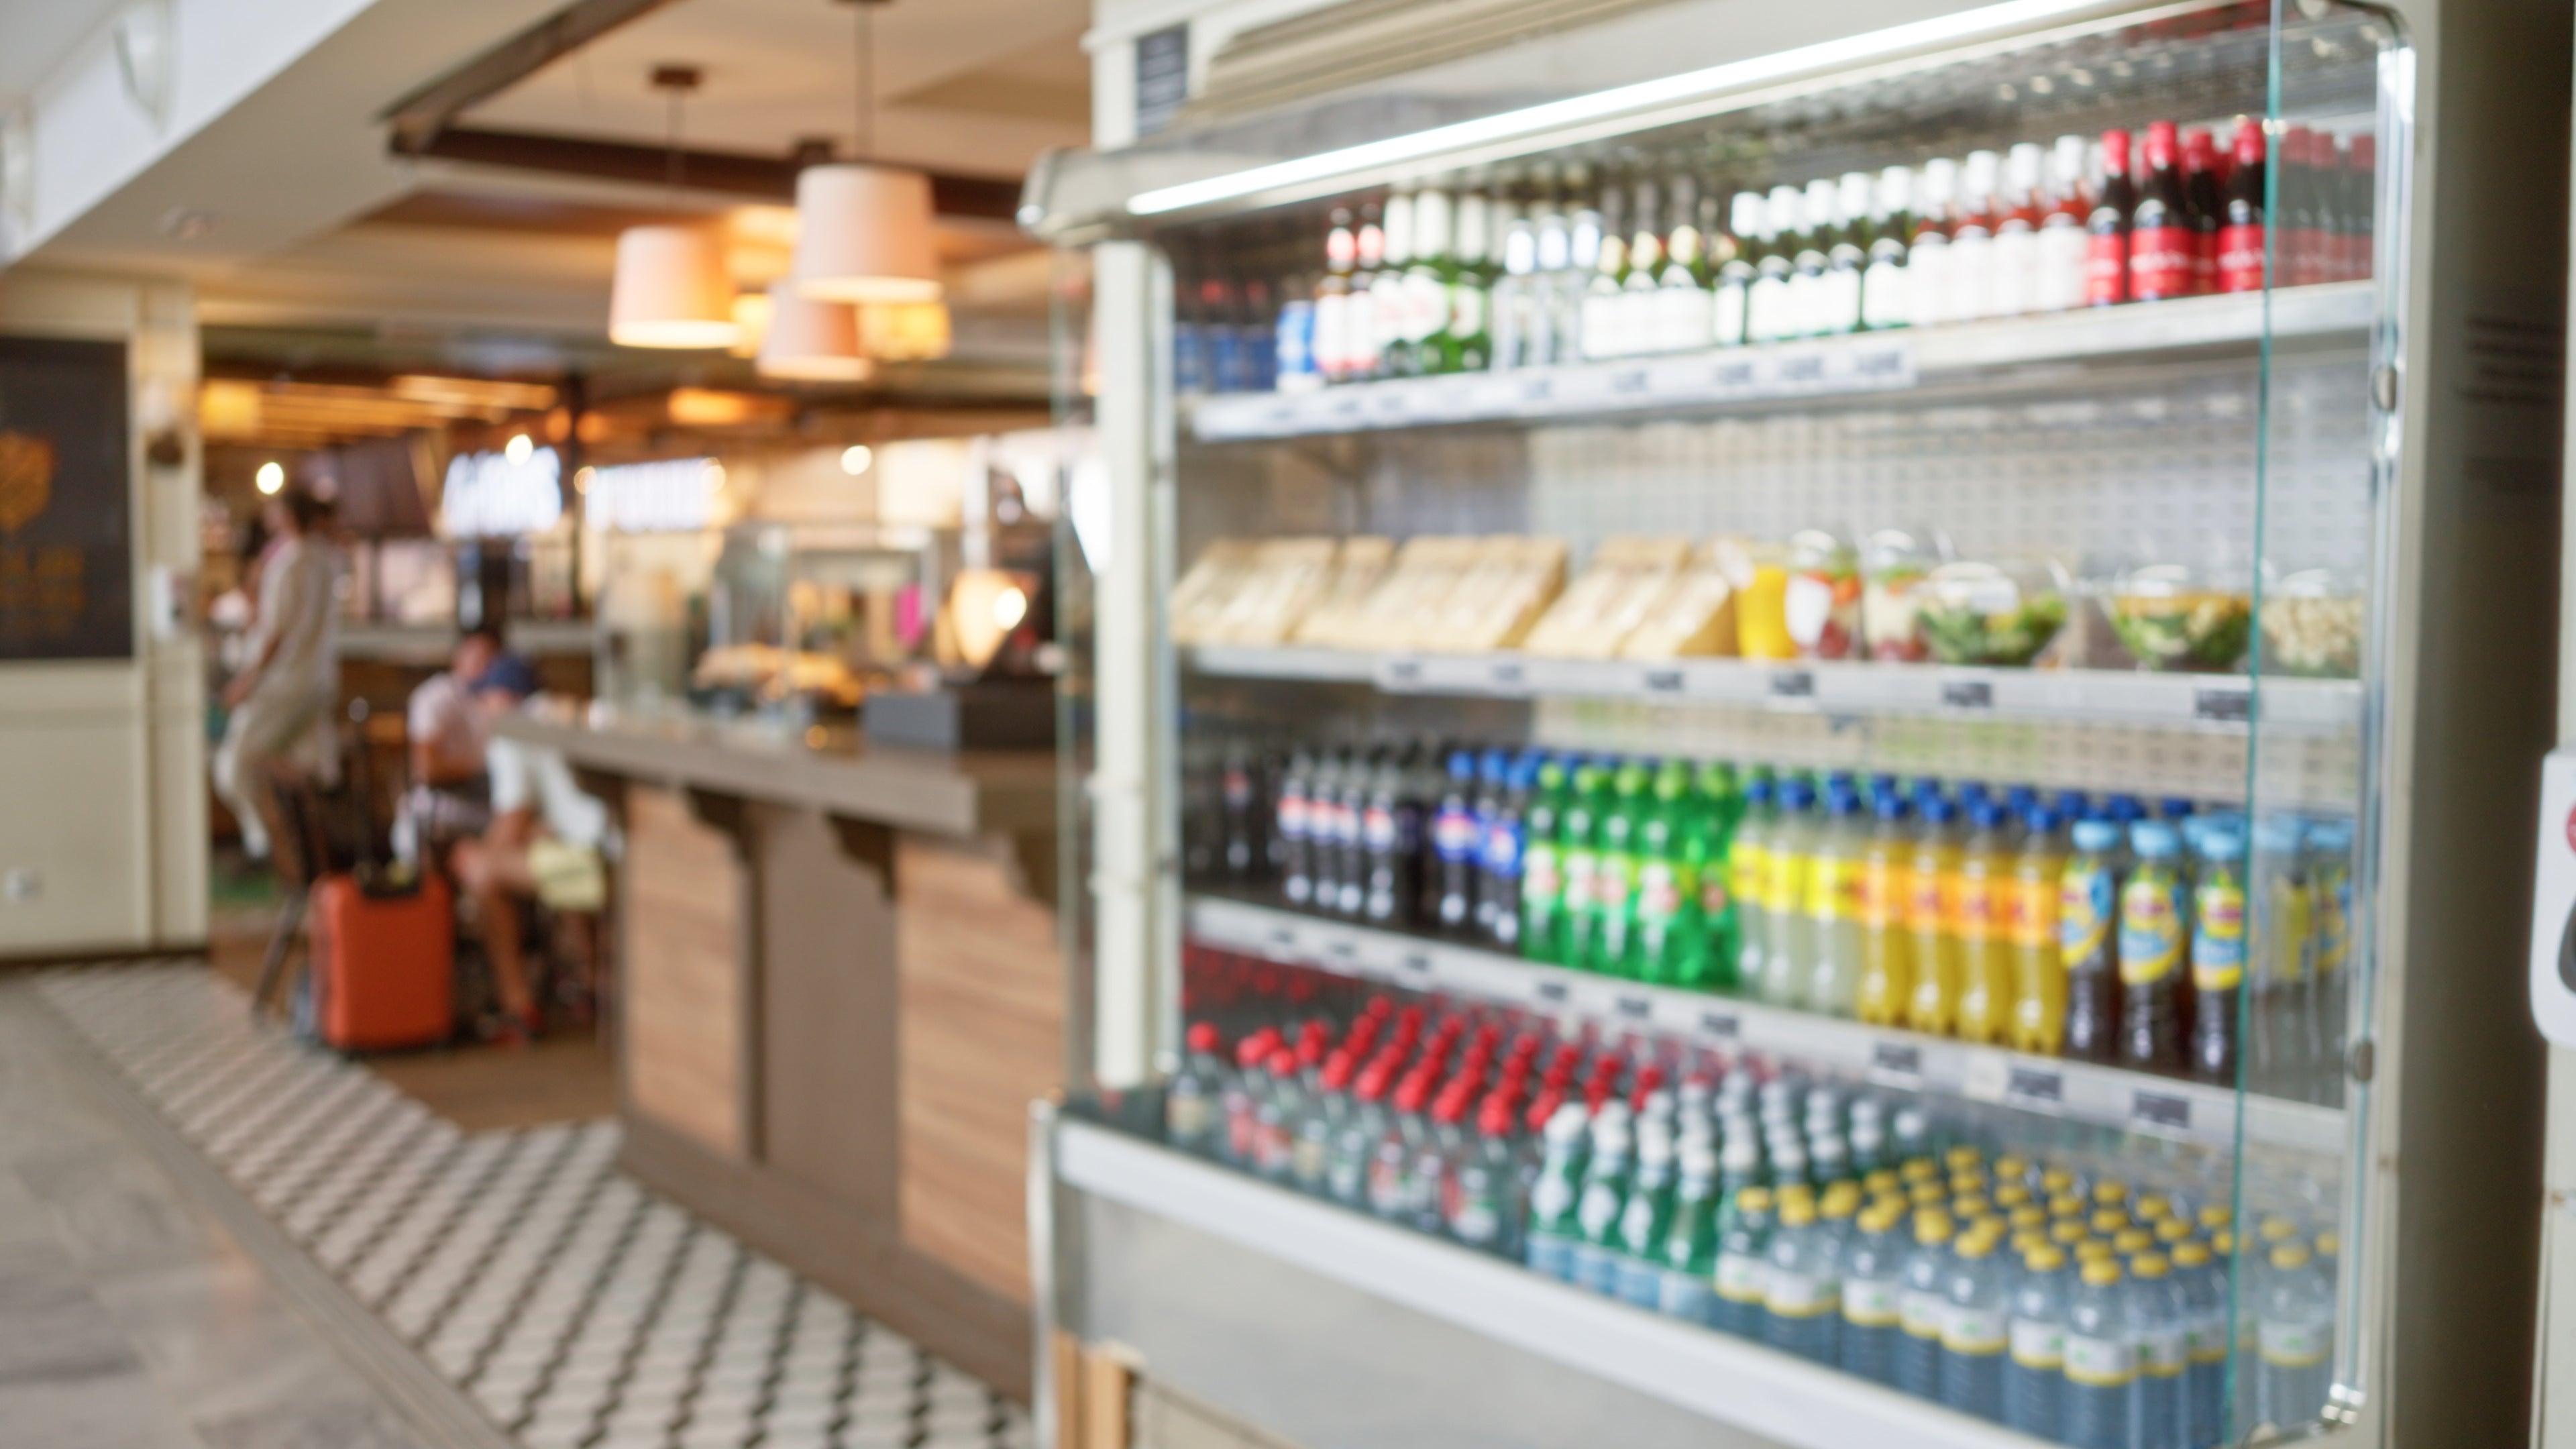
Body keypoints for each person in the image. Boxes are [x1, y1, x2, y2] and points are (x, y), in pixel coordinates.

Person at [450, 655, 611, 1041]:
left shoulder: (513, 731)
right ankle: (594, 985)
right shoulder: (563, 710)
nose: (480, 712)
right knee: (548, 849)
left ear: (504, 698)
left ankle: (518, 1006)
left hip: (596, 868)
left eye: (484, 700)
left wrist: (471, 862)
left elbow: (511, 823)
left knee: (481, 871)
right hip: (617, 856)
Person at [213, 487, 342, 861]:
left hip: (284, 684)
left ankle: (266, 846)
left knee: (232, 766)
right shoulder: (325, 557)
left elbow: (276, 632)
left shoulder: (291, 563)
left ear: (286, 515)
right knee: (303, 770)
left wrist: (247, 681)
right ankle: (303, 854)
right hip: (317, 682)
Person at [393, 625, 502, 865]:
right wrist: (480, 770)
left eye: (490, 658)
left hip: (485, 803)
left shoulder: (496, 699)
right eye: (477, 656)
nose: (484, 665)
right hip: (443, 804)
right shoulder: (437, 696)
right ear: (459, 656)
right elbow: (427, 769)